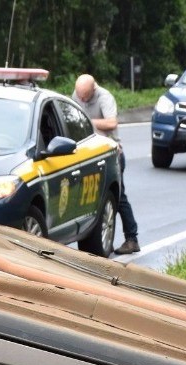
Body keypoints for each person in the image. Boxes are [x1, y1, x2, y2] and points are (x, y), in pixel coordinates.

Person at [72, 74, 140, 256]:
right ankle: (94, 236)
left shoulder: (105, 97)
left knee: (117, 196)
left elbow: (111, 122)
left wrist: (86, 120)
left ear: (93, 89)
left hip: (111, 153)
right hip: (89, 153)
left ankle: (132, 238)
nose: (82, 100)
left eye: (85, 96)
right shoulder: (77, 95)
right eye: (80, 96)